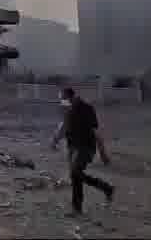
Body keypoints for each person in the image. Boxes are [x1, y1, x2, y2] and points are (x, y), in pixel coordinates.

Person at [50, 87, 115, 216]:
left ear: (70, 97)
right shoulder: (68, 109)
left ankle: (78, 207)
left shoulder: (86, 108)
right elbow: (64, 126)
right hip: (73, 147)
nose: (61, 102)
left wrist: (103, 153)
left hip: (86, 147)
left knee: (75, 173)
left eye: (63, 99)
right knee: (76, 176)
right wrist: (55, 140)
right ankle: (105, 189)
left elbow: (96, 131)